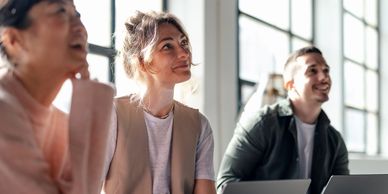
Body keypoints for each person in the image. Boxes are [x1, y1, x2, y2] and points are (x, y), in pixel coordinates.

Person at [0, 0, 114, 193]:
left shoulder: (61, 124)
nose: (80, 28)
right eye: (60, 11)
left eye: (77, 14)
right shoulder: (3, 115)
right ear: (13, 40)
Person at [102, 11, 216, 194]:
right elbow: (86, 186)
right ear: (142, 62)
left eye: (183, 43)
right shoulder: (112, 115)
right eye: (167, 46)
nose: (184, 53)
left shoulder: (200, 125)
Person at [217, 46, 349, 194]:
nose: (324, 77)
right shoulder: (261, 125)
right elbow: (225, 183)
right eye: (312, 70)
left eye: (326, 70)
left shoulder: (335, 140)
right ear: (290, 84)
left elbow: (343, 190)